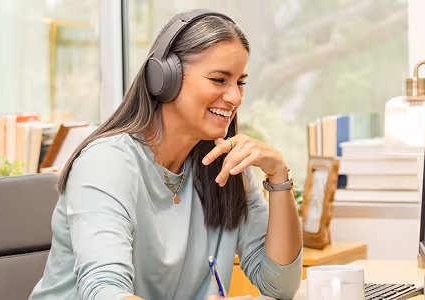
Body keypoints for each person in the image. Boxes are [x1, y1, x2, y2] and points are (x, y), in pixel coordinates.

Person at [29, 10, 302, 300]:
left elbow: (279, 286)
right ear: (164, 77)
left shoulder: (225, 165)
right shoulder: (106, 163)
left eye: (240, 82)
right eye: (219, 79)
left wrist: (279, 177)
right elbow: (104, 291)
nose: (235, 97)